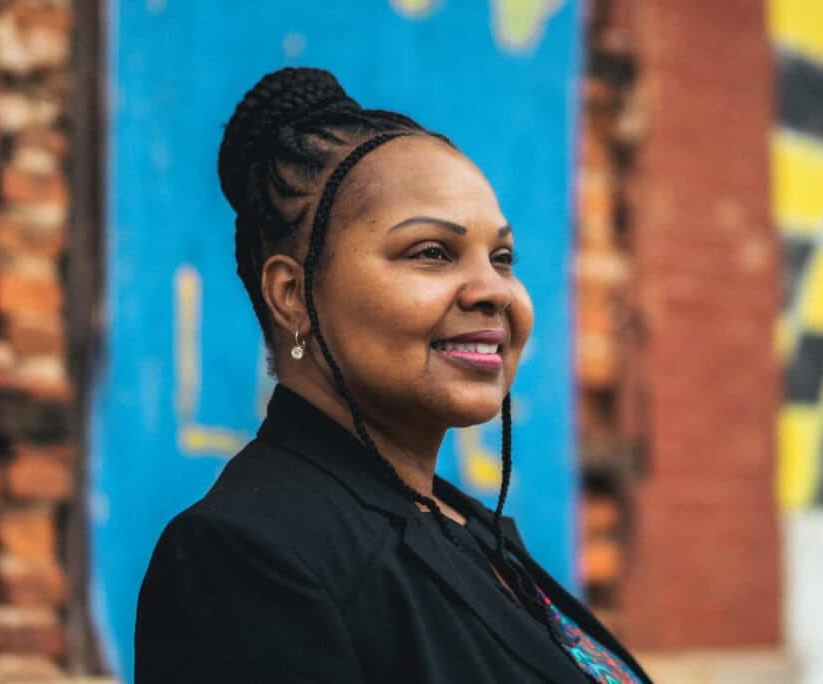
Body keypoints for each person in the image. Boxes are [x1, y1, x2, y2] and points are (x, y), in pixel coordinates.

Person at [135, 67, 651, 684]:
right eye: (432, 252)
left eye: (502, 257)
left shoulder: (458, 527)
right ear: (293, 294)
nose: (494, 290)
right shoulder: (247, 557)